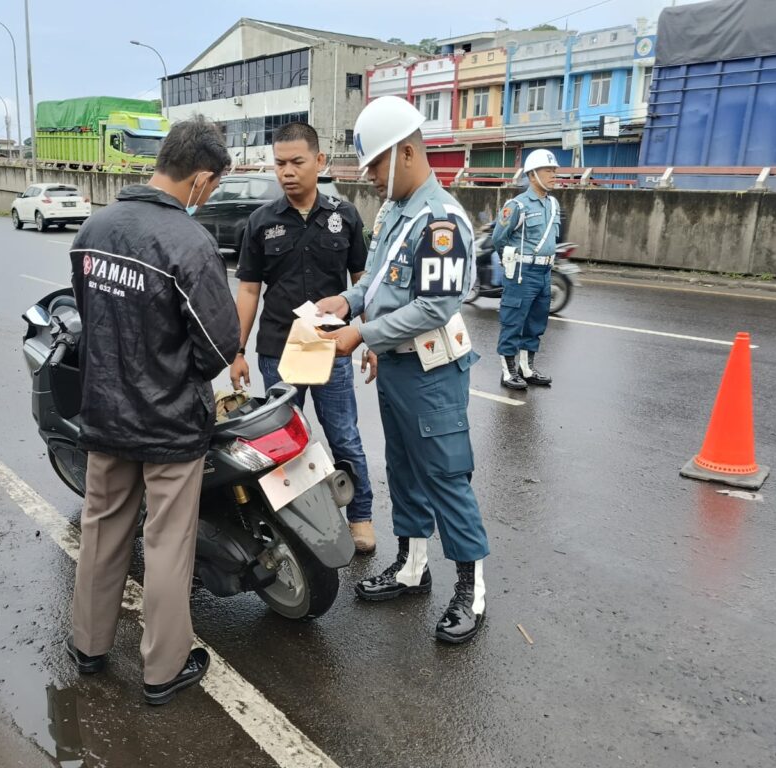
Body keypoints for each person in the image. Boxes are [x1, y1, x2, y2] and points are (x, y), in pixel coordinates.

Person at [65, 117, 240, 705]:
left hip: (105, 413)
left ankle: (88, 647)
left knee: (102, 528)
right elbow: (219, 345)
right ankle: (163, 671)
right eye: (212, 185)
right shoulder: (190, 243)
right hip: (169, 423)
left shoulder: (93, 228)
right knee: (167, 544)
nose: (208, 195)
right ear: (199, 178)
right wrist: (181, 376)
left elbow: (91, 316)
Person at [317, 96, 489, 645]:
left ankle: (471, 589)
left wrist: (362, 333)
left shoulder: (440, 222)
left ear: (406, 153)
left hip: (432, 370)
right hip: (394, 365)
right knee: (405, 469)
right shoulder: (398, 212)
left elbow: (433, 308)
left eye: (374, 165)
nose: (368, 177)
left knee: (445, 475)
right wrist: (345, 303)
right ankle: (413, 566)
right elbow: (379, 282)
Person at [229, 122, 377, 554]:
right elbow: (249, 290)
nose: (287, 171)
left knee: (343, 435)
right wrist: (237, 351)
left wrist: (367, 337)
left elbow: (361, 281)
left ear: (320, 161)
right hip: (279, 351)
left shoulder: (344, 215)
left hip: (331, 348)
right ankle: (294, 526)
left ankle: (361, 516)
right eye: (280, 163)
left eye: (297, 162)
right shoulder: (260, 222)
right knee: (283, 441)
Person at [490, 149, 561, 390]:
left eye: (554, 170)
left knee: (536, 322)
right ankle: (508, 372)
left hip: (544, 272)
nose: (553, 175)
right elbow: (499, 237)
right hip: (522, 271)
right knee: (513, 321)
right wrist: (511, 261)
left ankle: (527, 368)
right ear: (532, 175)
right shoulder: (517, 205)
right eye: (547, 170)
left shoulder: (553, 204)